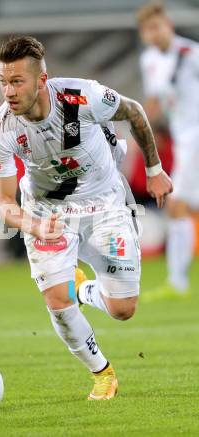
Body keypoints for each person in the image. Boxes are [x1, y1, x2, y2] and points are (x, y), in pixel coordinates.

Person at [0, 36, 172, 400]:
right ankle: (102, 373)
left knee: (122, 309)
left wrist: (154, 169)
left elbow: (133, 111)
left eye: (17, 81)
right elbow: (5, 203)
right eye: (3, 82)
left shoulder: (80, 95)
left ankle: (83, 288)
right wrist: (33, 224)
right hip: (46, 211)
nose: (8, 91)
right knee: (56, 300)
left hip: (105, 204)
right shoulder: (0, 130)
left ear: (42, 80)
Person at [137, 2, 198, 300]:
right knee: (183, 207)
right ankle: (178, 281)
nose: (154, 33)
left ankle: (177, 283)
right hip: (182, 140)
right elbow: (153, 103)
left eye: (157, 26)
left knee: (177, 206)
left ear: (169, 25)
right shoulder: (149, 60)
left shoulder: (191, 54)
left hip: (196, 137)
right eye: (148, 29)